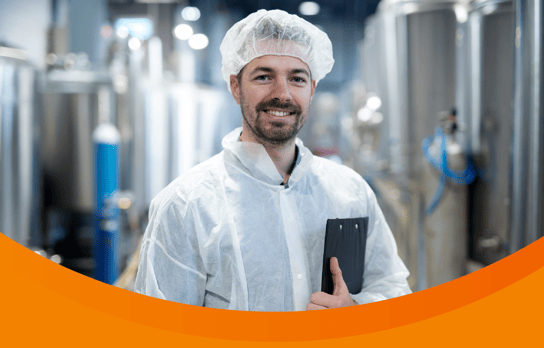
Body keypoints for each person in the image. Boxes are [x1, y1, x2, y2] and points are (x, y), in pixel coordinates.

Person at [134, 9, 411, 311]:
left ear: (313, 89)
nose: (283, 94)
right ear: (235, 86)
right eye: (264, 76)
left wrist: (355, 311)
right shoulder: (187, 206)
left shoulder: (350, 191)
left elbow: (392, 288)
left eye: (297, 78)